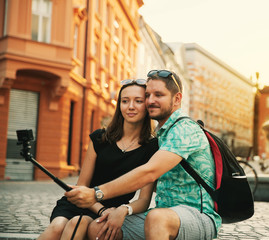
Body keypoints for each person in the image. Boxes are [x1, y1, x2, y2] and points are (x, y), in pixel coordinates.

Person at [65, 70, 221, 240]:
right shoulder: (162, 134)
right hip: (164, 214)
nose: (150, 101)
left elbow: (149, 172)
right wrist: (124, 208)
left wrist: (96, 193)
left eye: (158, 95)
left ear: (177, 99)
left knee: (157, 218)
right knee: (99, 227)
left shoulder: (184, 129)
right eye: (147, 95)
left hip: (198, 216)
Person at [38, 79, 158, 240]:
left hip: (110, 210)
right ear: (119, 105)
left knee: (76, 224)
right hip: (80, 202)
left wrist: (122, 210)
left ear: (147, 105)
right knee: (57, 227)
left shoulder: (152, 147)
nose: (130, 106)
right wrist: (100, 209)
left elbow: (144, 200)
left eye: (138, 101)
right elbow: (82, 185)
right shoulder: (99, 138)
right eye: (124, 101)